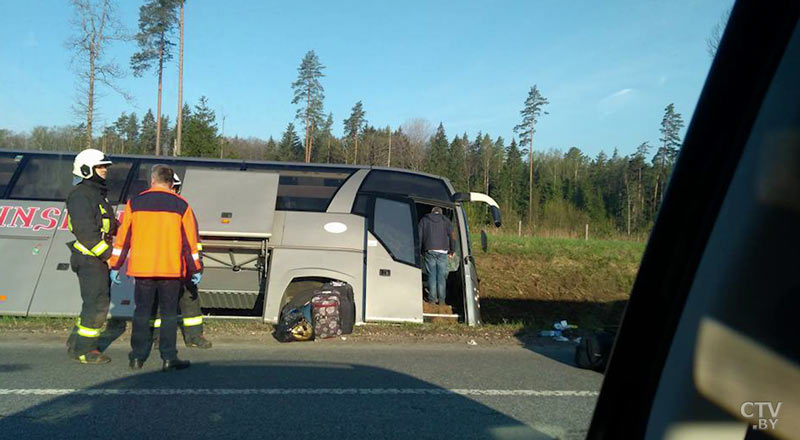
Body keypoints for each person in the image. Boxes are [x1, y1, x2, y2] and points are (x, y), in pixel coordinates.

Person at [109, 165, 202, 372]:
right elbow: (190, 242)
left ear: (152, 181)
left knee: (141, 312)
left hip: (142, 269)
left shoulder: (135, 203)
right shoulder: (182, 205)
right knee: (168, 314)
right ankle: (169, 357)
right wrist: (196, 268)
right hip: (170, 270)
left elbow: (123, 239)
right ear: (171, 183)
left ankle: (137, 357)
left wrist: (115, 265)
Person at [65, 148, 117, 364]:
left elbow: (106, 225)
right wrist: (108, 255)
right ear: (87, 169)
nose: (105, 170)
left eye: (105, 166)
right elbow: (86, 231)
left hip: (95, 259)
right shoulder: (80, 195)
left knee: (93, 302)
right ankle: (85, 350)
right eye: (100, 166)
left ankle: (76, 342)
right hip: (90, 258)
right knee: (96, 303)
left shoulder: (96, 194)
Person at [151, 173, 212, 349]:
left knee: (190, 299)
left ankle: (194, 335)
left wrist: (197, 265)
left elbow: (193, 239)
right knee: (162, 302)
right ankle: (159, 337)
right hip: (163, 264)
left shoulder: (183, 208)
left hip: (182, 264)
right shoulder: (154, 210)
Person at [418, 206, 455, 309]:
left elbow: (419, 236)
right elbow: (452, 236)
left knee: (432, 275)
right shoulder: (446, 221)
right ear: (441, 212)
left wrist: (421, 250)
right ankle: (442, 301)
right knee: (441, 276)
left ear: (432, 212)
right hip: (443, 251)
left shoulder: (424, 220)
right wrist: (452, 250)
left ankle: (432, 300)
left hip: (430, 250)